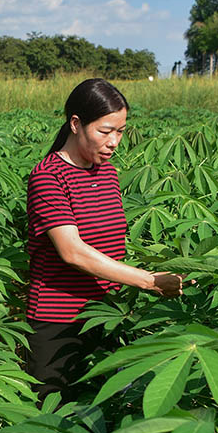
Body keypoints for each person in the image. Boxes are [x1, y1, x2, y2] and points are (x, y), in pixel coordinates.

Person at [25, 78, 183, 404]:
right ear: (75, 124)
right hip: (59, 321)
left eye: (121, 132)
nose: (114, 142)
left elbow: (111, 243)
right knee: (53, 415)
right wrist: (148, 281)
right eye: (105, 131)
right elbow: (73, 252)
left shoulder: (108, 173)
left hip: (106, 313)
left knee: (103, 411)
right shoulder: (48, 175)